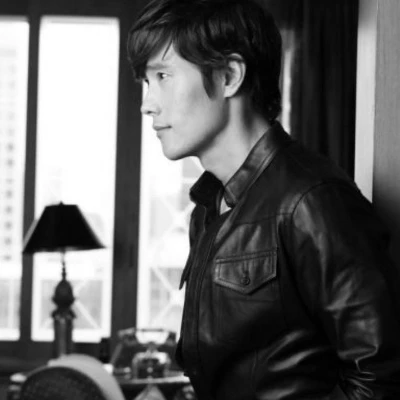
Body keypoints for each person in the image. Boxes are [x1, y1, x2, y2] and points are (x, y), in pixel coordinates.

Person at [127, 0, 400, 398]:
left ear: (229, 76)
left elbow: (381, 380)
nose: (147, 103)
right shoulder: (208, 207)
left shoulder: (311, 200)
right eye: (147, 82)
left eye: (163, 76)